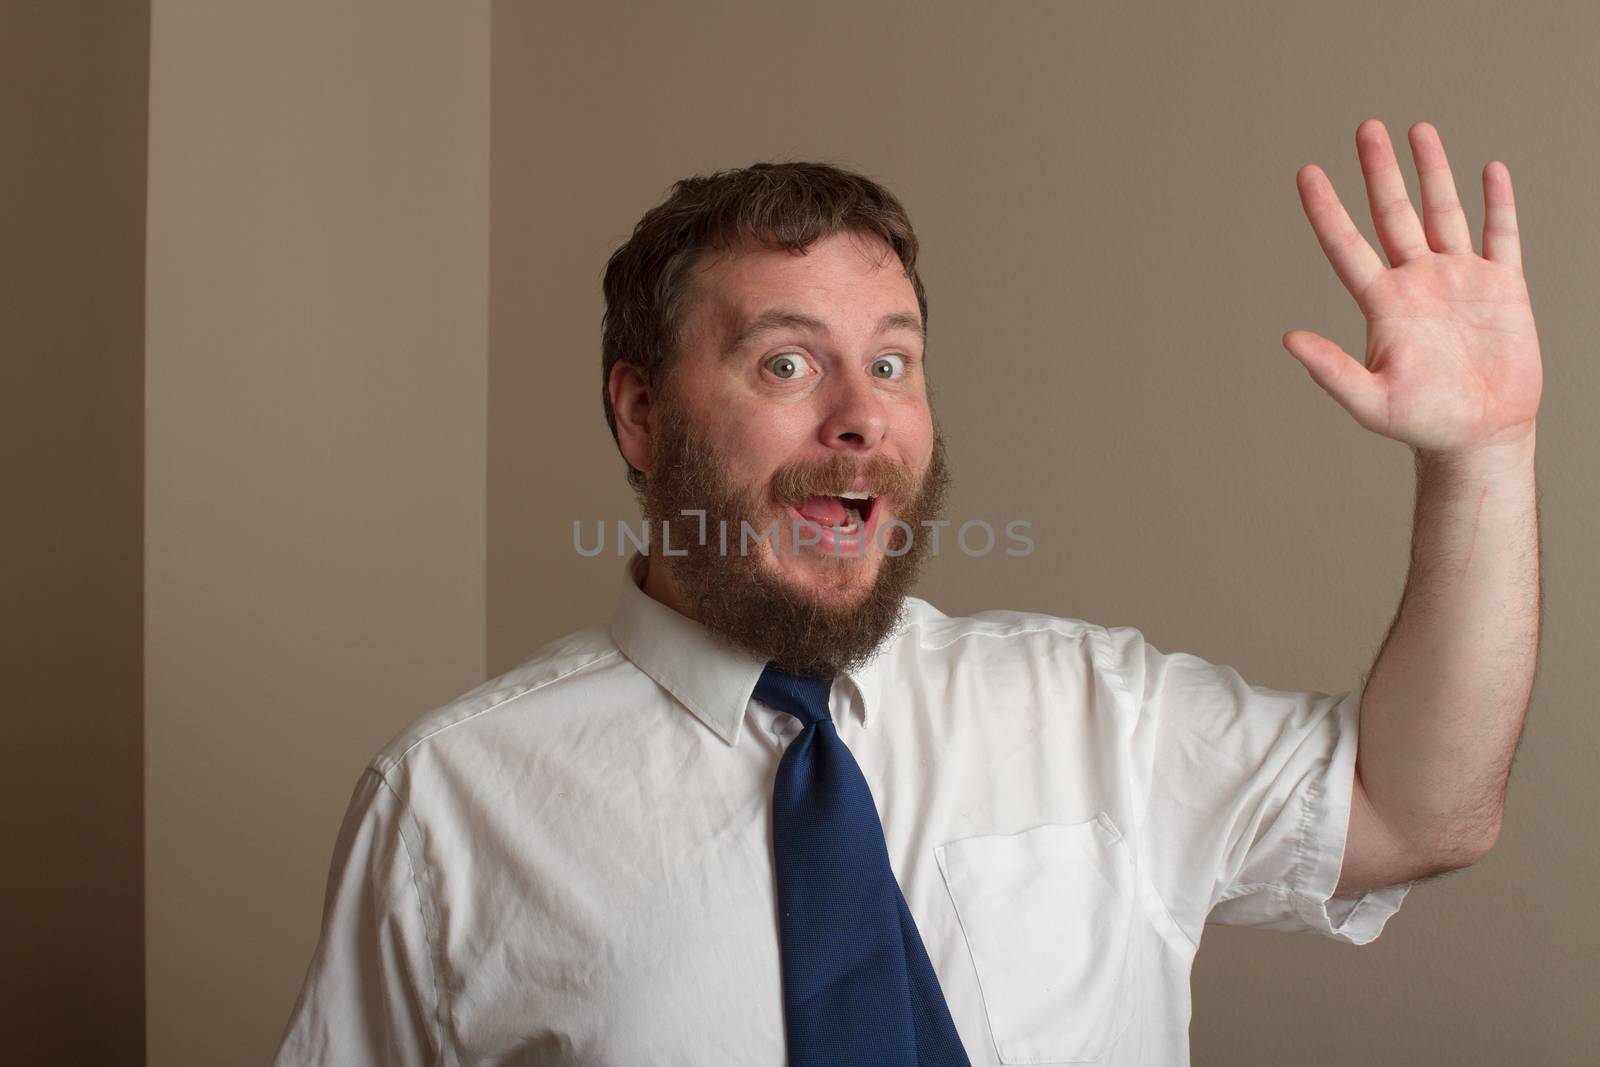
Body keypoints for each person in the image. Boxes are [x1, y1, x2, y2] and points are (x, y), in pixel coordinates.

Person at [274, 119, 1541, 1065]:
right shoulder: (449, 806)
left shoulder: (1096, 707)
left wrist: (1481, 459)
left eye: (892, 359)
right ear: (642, 412)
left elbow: (1414, 806)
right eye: (786, 361)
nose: (860, 416)